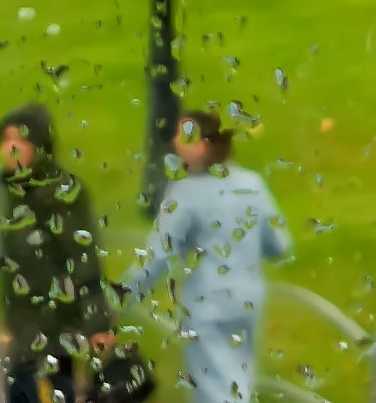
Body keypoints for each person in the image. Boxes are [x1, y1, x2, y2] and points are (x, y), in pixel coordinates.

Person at [119, 108, 292, 403]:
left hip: (207, 305)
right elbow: (280, 245)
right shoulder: (252, 184)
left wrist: (121, 294)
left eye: (182, 136)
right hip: (248, 300)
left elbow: (158, 255)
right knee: (239, 380)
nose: (174, 142)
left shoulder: (185, 193)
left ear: (201, 145)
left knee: (214, 388)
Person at [0, 103, 112, 403]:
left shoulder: (62, 194)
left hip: (54, 331)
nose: (12, 148)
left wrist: (98, 324)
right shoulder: (14, 192)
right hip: (26, 329)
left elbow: (83, 258)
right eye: (6, 140)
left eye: (21, 140)